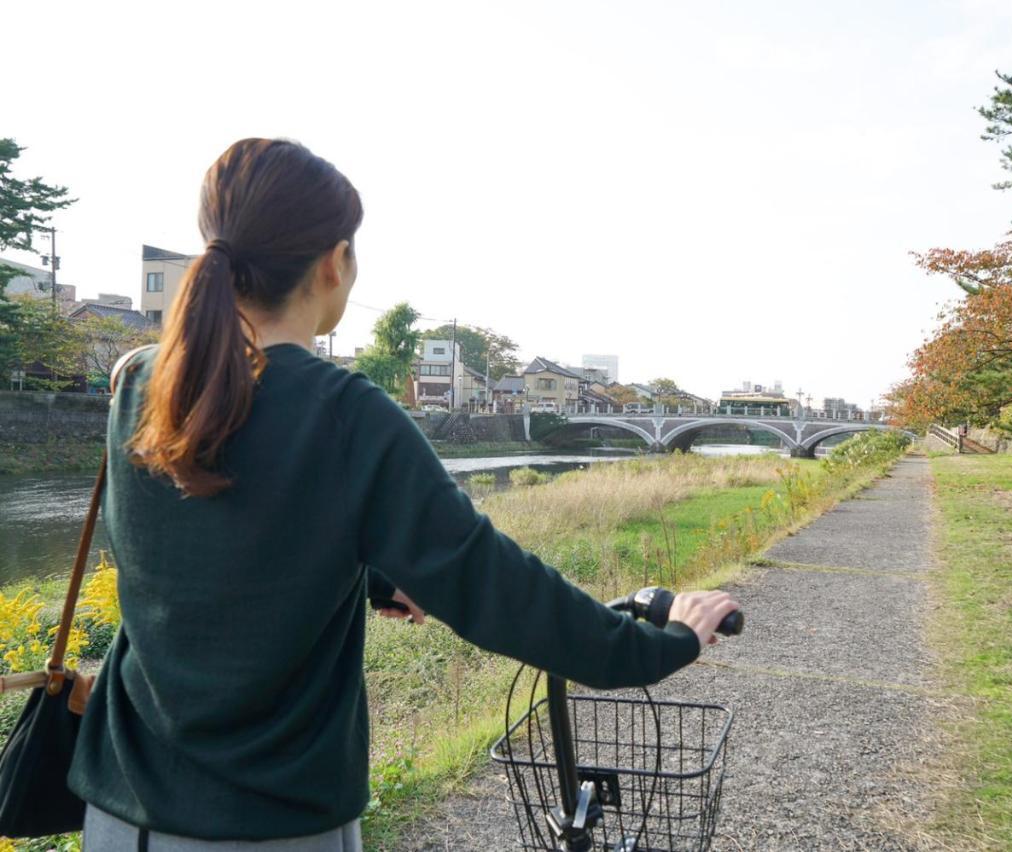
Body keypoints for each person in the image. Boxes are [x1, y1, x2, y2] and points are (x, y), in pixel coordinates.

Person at [69, 138, 738, 850]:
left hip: (118, 811)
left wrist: (374, 573)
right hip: (268, 824)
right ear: (335, 262)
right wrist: (655, 646)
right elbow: (492, 584)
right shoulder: (344, 410)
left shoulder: (139, 381)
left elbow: (215, 541)